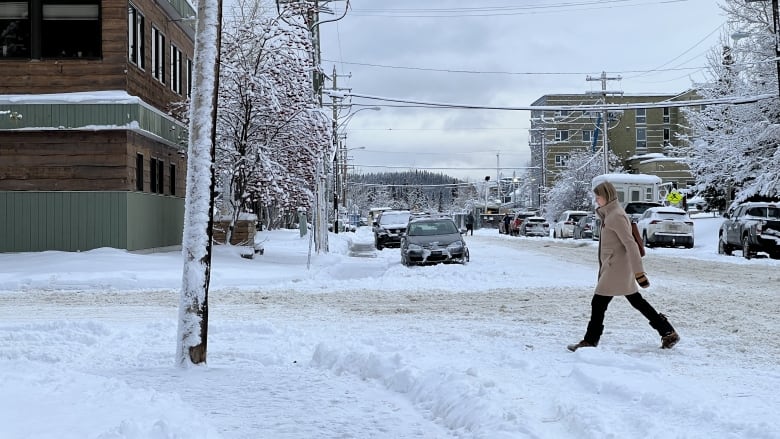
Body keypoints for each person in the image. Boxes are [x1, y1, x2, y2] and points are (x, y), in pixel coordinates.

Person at [568, 181, 680, 352]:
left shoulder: (616, 216)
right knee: (636, 301)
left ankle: (590, 340)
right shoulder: (610, 214)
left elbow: (630, 244)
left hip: (616, 268)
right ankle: (668, 332)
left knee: (598, 303)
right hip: (615, 266)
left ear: (607, 196)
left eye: (598, 197)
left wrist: (639, 273)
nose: (596, 201)